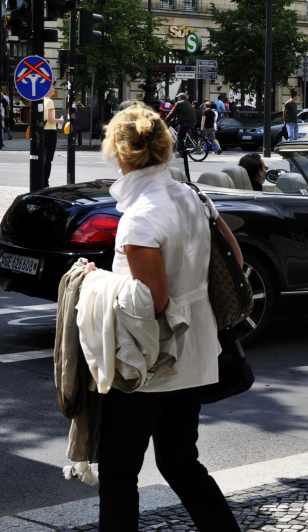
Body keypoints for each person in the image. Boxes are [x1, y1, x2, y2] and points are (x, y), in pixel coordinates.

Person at [86, 102, 243, 531]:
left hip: (152, 363)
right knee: (180, 463)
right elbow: (235, 257)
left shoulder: (138, 218)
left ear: (119, 155)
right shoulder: (192, 195)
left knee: (118, 473)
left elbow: (151, 302)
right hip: (195, 354)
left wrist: (95, 281)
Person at [42, 86, 64, 186]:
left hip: (43, 131)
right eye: (52, 88)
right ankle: (45, 182)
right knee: (48, 158)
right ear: (48, 90)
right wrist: (59, 120)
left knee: (43, 156)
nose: (54, 90)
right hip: (50, 131)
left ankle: (41, 180)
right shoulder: (49, 101)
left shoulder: (41, 101)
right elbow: (50, 119)